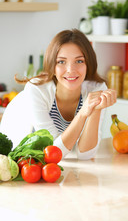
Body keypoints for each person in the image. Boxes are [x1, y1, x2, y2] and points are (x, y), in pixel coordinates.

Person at [1, 29, 117, 160]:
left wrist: (95, 110)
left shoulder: (96, 89)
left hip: (50, 157)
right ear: (52, 66)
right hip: (14, 152)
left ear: (88, 64)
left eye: (79, 61)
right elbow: (54, 152)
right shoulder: (36, 90)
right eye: (61, 61)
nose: (70, 70)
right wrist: (83, 112)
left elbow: (85, 155)